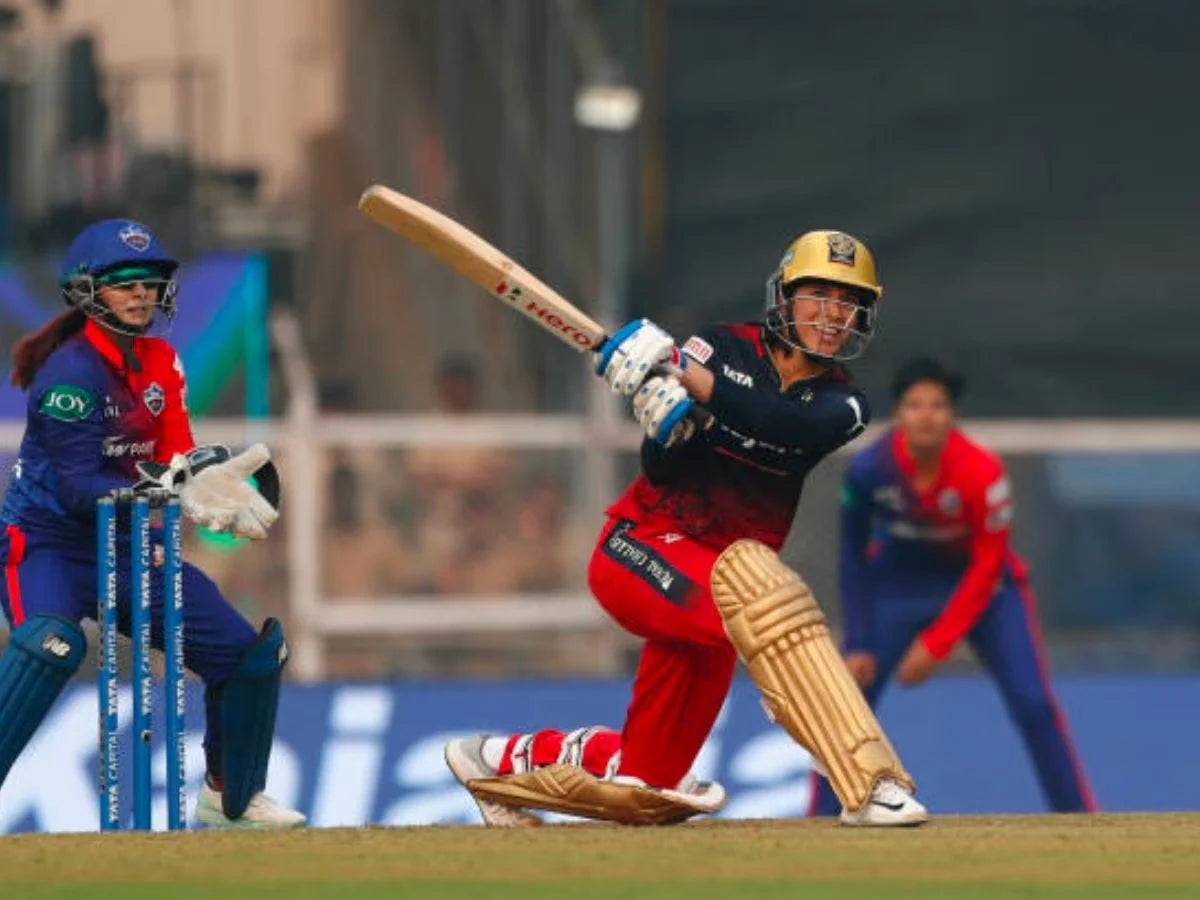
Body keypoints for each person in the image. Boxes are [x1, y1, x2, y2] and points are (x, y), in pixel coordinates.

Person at [444, 231, 928, 828]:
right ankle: (867, 781)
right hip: (639, 549)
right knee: (766, 597)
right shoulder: (718, 348)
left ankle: (495, 760)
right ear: (785, 296)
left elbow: (779, 424)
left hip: (717, 596)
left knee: (647, 782)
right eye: (818, 295)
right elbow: (660, 468)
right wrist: (666, 425)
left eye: (846, 302)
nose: (831, 315)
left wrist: (684, 380)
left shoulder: (844, 406)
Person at [0, 219, 305, 828]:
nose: (141, 294)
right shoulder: (69, 376)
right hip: (47, 545)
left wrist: (191, 490)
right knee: (51, 645)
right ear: (88, 291)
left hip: (129, 541)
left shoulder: (164, 363)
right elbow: (79, 488)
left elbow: (177, 459)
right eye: (122, 284)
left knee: (248, 656)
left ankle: (231, 800)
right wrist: (164, 489)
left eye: (150, 282)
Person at [810, 357, 1096, 815]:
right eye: (914, 405)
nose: (926, 415)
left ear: (951, 415)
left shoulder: (983, 473)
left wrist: (936, 645)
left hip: (983, 592)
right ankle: (818, 822)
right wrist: (860, 639)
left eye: (937, 405)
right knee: (845, 705)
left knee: (1034, 704)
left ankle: (1080, 819)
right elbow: (851, 554)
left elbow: (988, 566)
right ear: (899, 414)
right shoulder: (870, 470)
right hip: (896, 587)